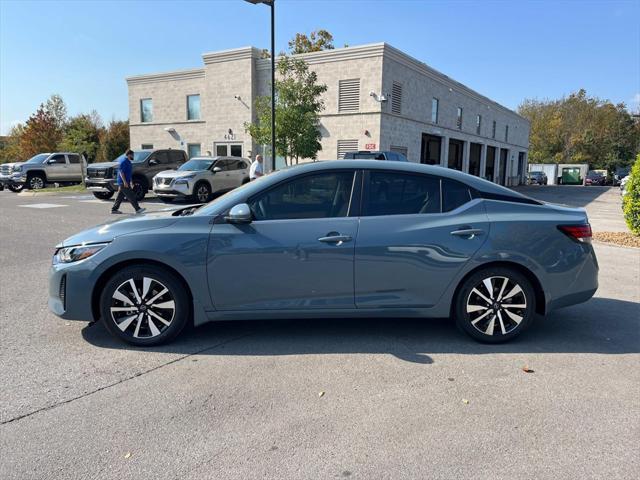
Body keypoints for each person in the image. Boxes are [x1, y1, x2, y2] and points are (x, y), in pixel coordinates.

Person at [111, 150, 145, 215]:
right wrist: (125, 182)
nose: (133, 156)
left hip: (126, 182)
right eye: (133, 155)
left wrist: (131, 182)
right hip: (123, 182)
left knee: (119, 197)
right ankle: (137, 209)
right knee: (131, 195)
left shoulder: (128, 162)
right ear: (129, 155)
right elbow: (121, 172)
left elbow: (129, 173)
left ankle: (114, 209)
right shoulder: (124, 161)